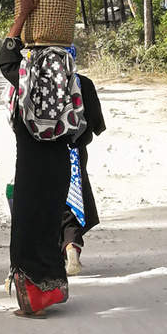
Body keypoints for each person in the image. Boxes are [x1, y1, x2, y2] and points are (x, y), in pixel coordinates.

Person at [0, 0, 86, 317]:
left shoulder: (27, 76)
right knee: (49, 227)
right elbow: (81, 127)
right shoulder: (69, 77)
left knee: (26, 231)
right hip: (59, 165)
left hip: (31, 167)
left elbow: (6, 58)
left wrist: (22, 14)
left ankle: (34, 302)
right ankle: (52, 290)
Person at [60, 50, 106, 275]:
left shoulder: (38, 82)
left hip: (43, 151)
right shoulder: (83, 83)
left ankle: (57, 251)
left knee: (51, 200)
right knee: (75, 197)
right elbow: (97, 124)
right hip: (76, 151)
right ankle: (72, 247)